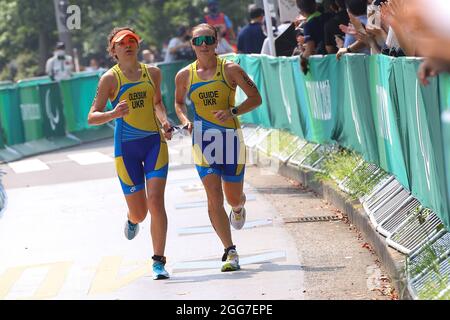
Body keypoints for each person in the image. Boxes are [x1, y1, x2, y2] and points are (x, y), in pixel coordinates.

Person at [174, 23, 262, 272]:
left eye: (208, 40)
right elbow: (179, 104)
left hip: (230, 140)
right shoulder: (184, 75)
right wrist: (185, 121)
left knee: (233, 197)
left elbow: (256, 98)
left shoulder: (231, 69)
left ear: (215, 42)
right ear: (191, 44)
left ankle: (238, 207)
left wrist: (232, 111)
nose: (203, 45)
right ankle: (229, 251)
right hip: (203, 141)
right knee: (214, 196)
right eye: (198, 40)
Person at [87, 27, 173, 280]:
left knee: (156, 201)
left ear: (137, 45)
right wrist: (113, 114)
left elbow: (157, 103)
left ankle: (158, 261)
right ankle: (132, 218)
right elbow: (92, 116)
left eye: (132, 41)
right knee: (141, 212)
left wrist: (165, 122)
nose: (128, 45)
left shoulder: (153, 73)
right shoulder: (109, 79)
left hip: (154, 143)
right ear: (113, 50)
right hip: (127, 150)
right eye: (121, 43)